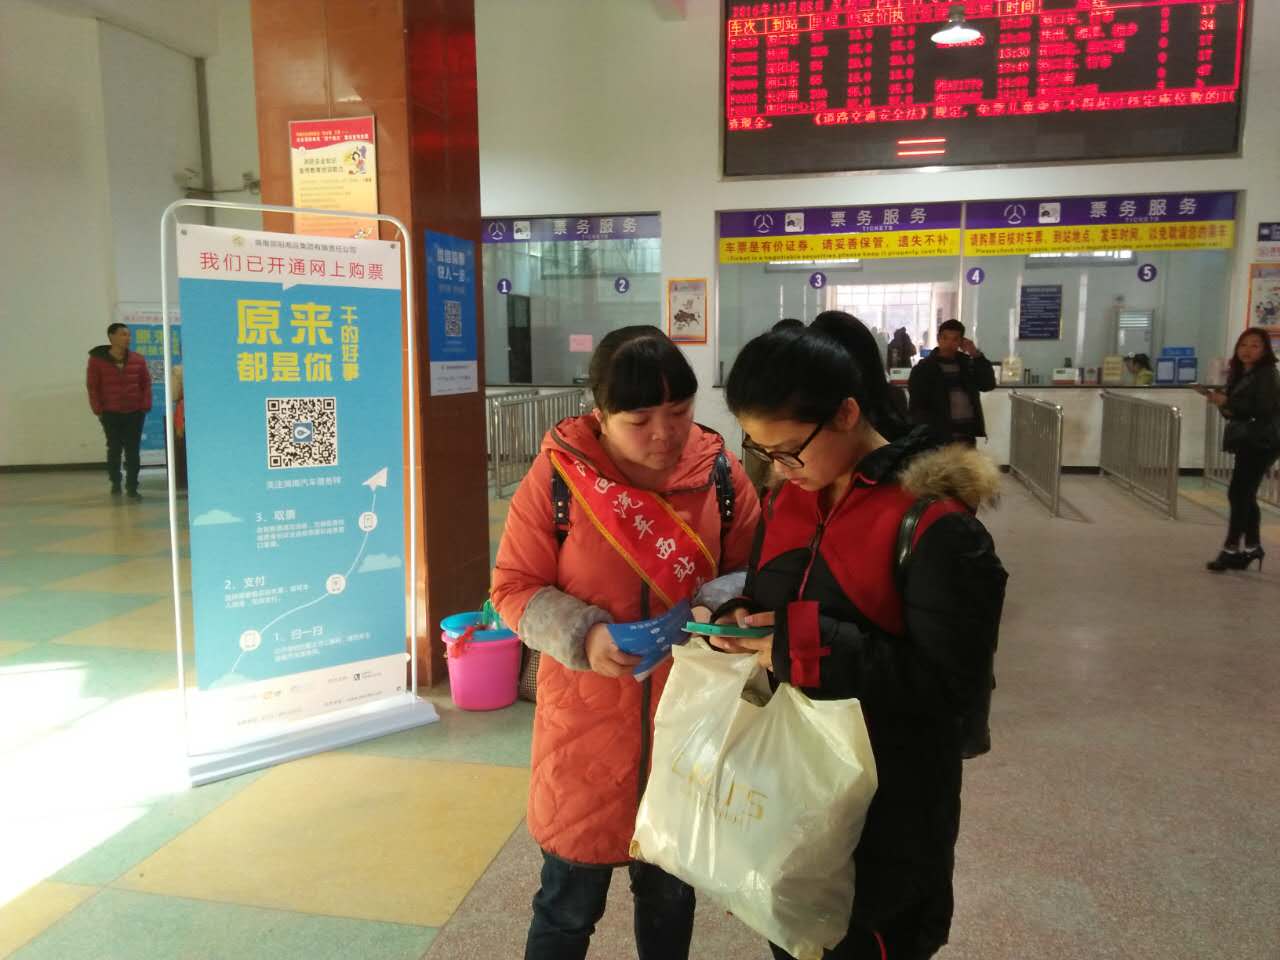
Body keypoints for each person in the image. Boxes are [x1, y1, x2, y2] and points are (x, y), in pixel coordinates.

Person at [713, 316, 1008, 959]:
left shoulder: (934, 526)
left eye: (789, 449)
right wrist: (741, 619)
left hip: (886, 819)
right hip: (789, 795)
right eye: (762, 451)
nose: (778, 467)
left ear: (847, 412)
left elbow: (949, 693)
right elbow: (773, 599)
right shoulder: (789, 498)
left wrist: (803, 646)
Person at [490, 325, 762, 960]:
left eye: (680, 411)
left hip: (687, 717)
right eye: (639, 420)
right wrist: (584, 634)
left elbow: (758, 568)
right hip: (584, 725)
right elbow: (512, 588)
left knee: (670, 896)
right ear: (601, 414)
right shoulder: (560, 476)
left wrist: (721, 605)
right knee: (566, 904)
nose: (665, 434)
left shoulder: (720, 473)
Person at [1205, 328, 1280, 572]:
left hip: (1263, 441)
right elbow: (1235, 413)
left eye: (1255, 345)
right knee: (1244, 494)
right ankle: (1252, 547)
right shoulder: (1240, 373)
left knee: (1238, 494)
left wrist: (1228, 402)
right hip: (1247, 439)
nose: (1247, 350)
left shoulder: (1267, 374)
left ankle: (1230, 549)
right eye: (1243, 345)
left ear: (1265, 350)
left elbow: (1263, 410)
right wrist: (1221, 403)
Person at [86, 322, 152, 500]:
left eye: (128, 334)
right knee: (114, 448)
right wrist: (97, 409)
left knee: (132, 450)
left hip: (134, 411)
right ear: (111, 337)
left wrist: (145, 405)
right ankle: (115, 481)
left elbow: (146, 384)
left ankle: (132, 487)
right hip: (110, 412)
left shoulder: (138, 359)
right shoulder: (97, 360)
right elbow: (93, 387)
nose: (128, 338)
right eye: (123, 334)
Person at [907, 319, 996, 446]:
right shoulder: (924, 368)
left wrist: (975, 354)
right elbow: (917, 405)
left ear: (961, 341)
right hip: (937, 436)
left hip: (966, 433)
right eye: (945, 338)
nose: (949, 343)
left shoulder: (968, 364)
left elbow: (987, 384)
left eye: (955, 339)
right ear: (938, 339)